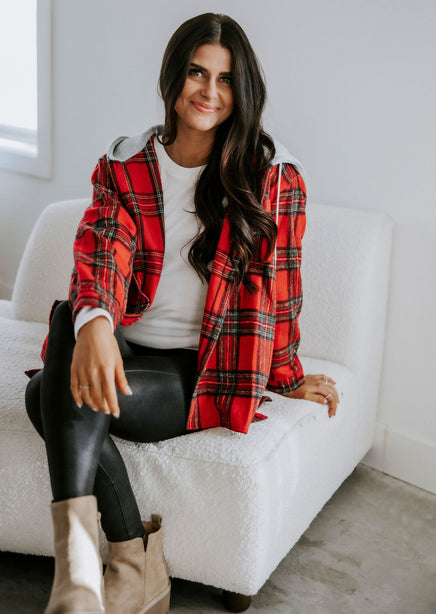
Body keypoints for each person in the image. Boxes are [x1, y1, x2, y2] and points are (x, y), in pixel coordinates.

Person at [25, 12, 339, 614]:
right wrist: (97, 323)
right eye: (197, 72)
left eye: (225, 79)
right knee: (74, 316)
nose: (209, 92)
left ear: (242, 91)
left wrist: (287, 375)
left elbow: (282, 286)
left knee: (47, 393)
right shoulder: (127, 165)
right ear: (173, 75)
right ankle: (98, 571)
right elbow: (102, 249)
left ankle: (83, 576)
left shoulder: (270, 178)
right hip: (126, 346)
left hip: (196, 372)